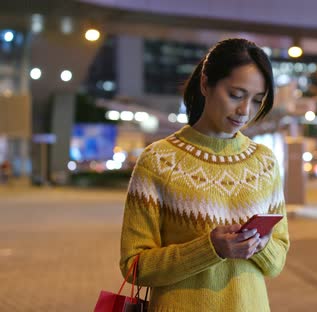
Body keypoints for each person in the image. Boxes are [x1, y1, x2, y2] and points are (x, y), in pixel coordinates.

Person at [119, 38, 289, 312]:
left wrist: (260, 245)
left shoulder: (264, 162)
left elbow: (277, 262)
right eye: (235, 94)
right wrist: (211, 249)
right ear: (205, 84)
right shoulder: (158, 160)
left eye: (257, 100)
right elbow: (134, 267)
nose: (245, 111)